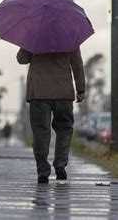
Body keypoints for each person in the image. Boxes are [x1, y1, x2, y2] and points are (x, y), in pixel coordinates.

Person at [17, 48, 85, 184]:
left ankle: (43, 172)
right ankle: (60, 166)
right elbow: (77, 64)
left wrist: (27, 43)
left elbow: (21, 59)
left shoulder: (35, 33)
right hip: (63, 92)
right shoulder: (70, 34)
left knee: (40, 132)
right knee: (64, 129)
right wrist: (80, 88)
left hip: (39, 92)